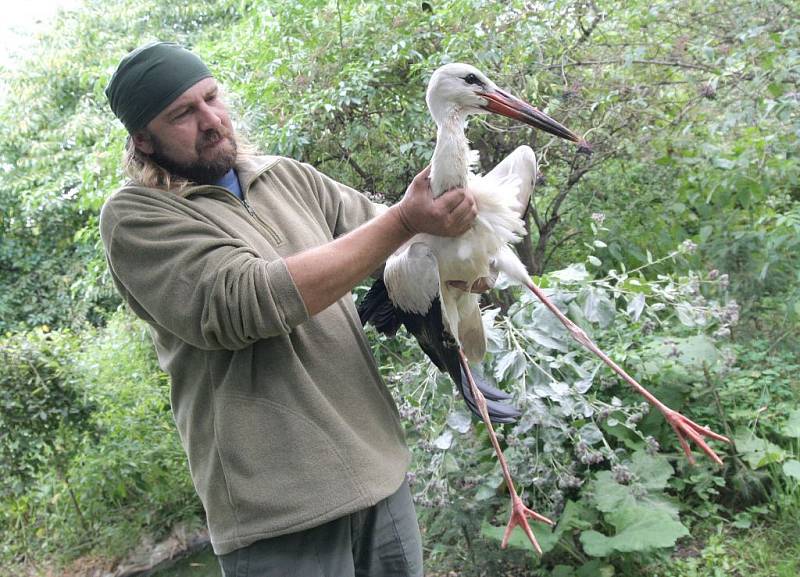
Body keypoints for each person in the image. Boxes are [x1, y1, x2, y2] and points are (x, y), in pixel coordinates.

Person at [100, 41, 477, 577]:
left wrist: (458, 255)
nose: (211, 120)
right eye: (182, 113)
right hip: (279, 508)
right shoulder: (137, 216)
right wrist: (405, 221)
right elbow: (242, 302)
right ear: (143, 139)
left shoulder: (287, 177)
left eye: (211, 98)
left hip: (380, 475)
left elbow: (400, 252)